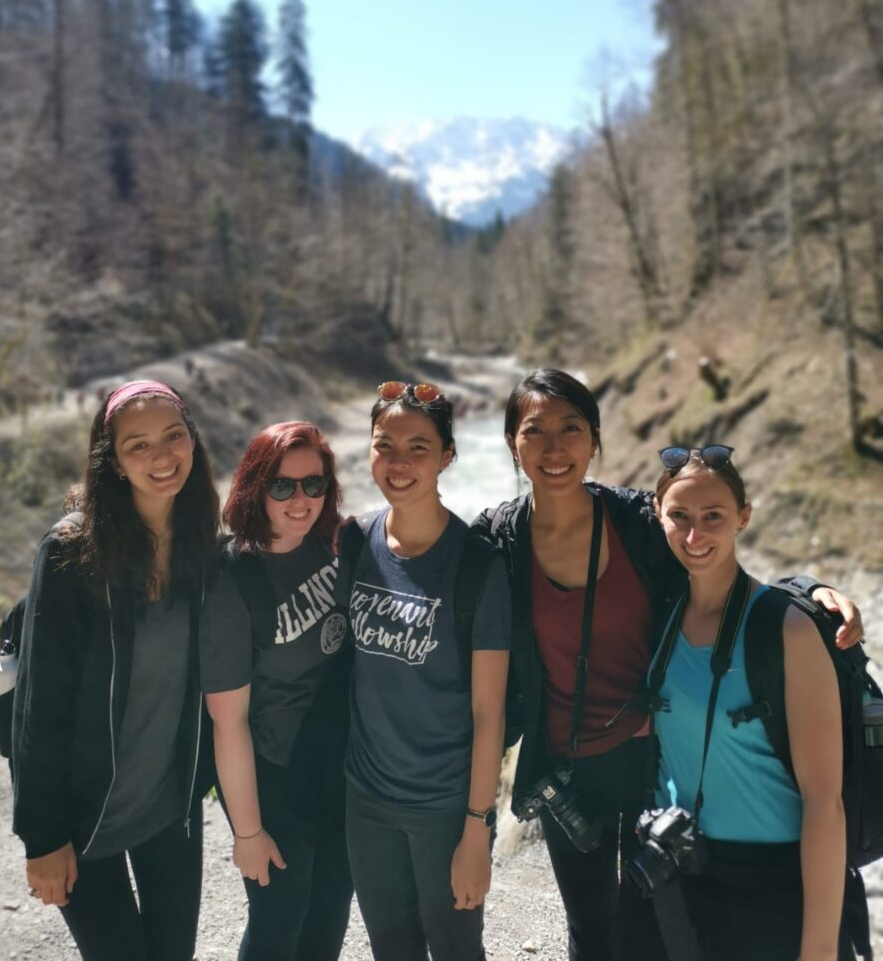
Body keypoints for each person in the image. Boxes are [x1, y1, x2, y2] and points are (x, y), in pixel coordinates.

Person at [469, 369, 862, 961]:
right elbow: (434, 570)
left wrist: (811, 594)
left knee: (653, 927)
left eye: (571, 428)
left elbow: (713, 553)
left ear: (595, 439)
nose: (554, 448)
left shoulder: (636, 523)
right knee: (592, 932)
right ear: (511, 443)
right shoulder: (501, 540)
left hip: (654, 758)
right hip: (567, 767)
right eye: (535, 431)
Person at [12, 379, 219, 961]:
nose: (162, 457)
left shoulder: (203, 548)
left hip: (168, 812)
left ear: (193, 442)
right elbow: (39, 707)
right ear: (115, 464)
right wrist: (43, 838)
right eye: (139, 446)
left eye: (173, 436)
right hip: (85, 818)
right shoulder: (72, 554)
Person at [643, 445, 847, 961]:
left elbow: (826, 801)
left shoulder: (787, 628)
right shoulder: (663, 610)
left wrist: (819, 950)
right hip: (684, 874)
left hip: (775, 884)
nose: (695, 536)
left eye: (713, 517)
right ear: (656, 514)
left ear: (744, 517)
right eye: (680, 517)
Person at [343, 381, 511, 961]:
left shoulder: (477, 566)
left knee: (457, 950)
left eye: (418, 447)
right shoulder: (352, 541)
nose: (398, 462)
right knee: (391, 948)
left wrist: (476, 829)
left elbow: (490, 712)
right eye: (384, 444)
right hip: (365, 802)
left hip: (445, 809)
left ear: (447, 456)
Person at [200, 421, 353, 961]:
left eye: (314, 484)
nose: (300, 500)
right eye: (282, 486)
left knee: (330, 911)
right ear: (255, 488)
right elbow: (228, 720)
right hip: (274, 775)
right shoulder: (233, 580)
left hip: (336, 767)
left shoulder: (330, 543)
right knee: (279, 920)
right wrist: (247, 832)